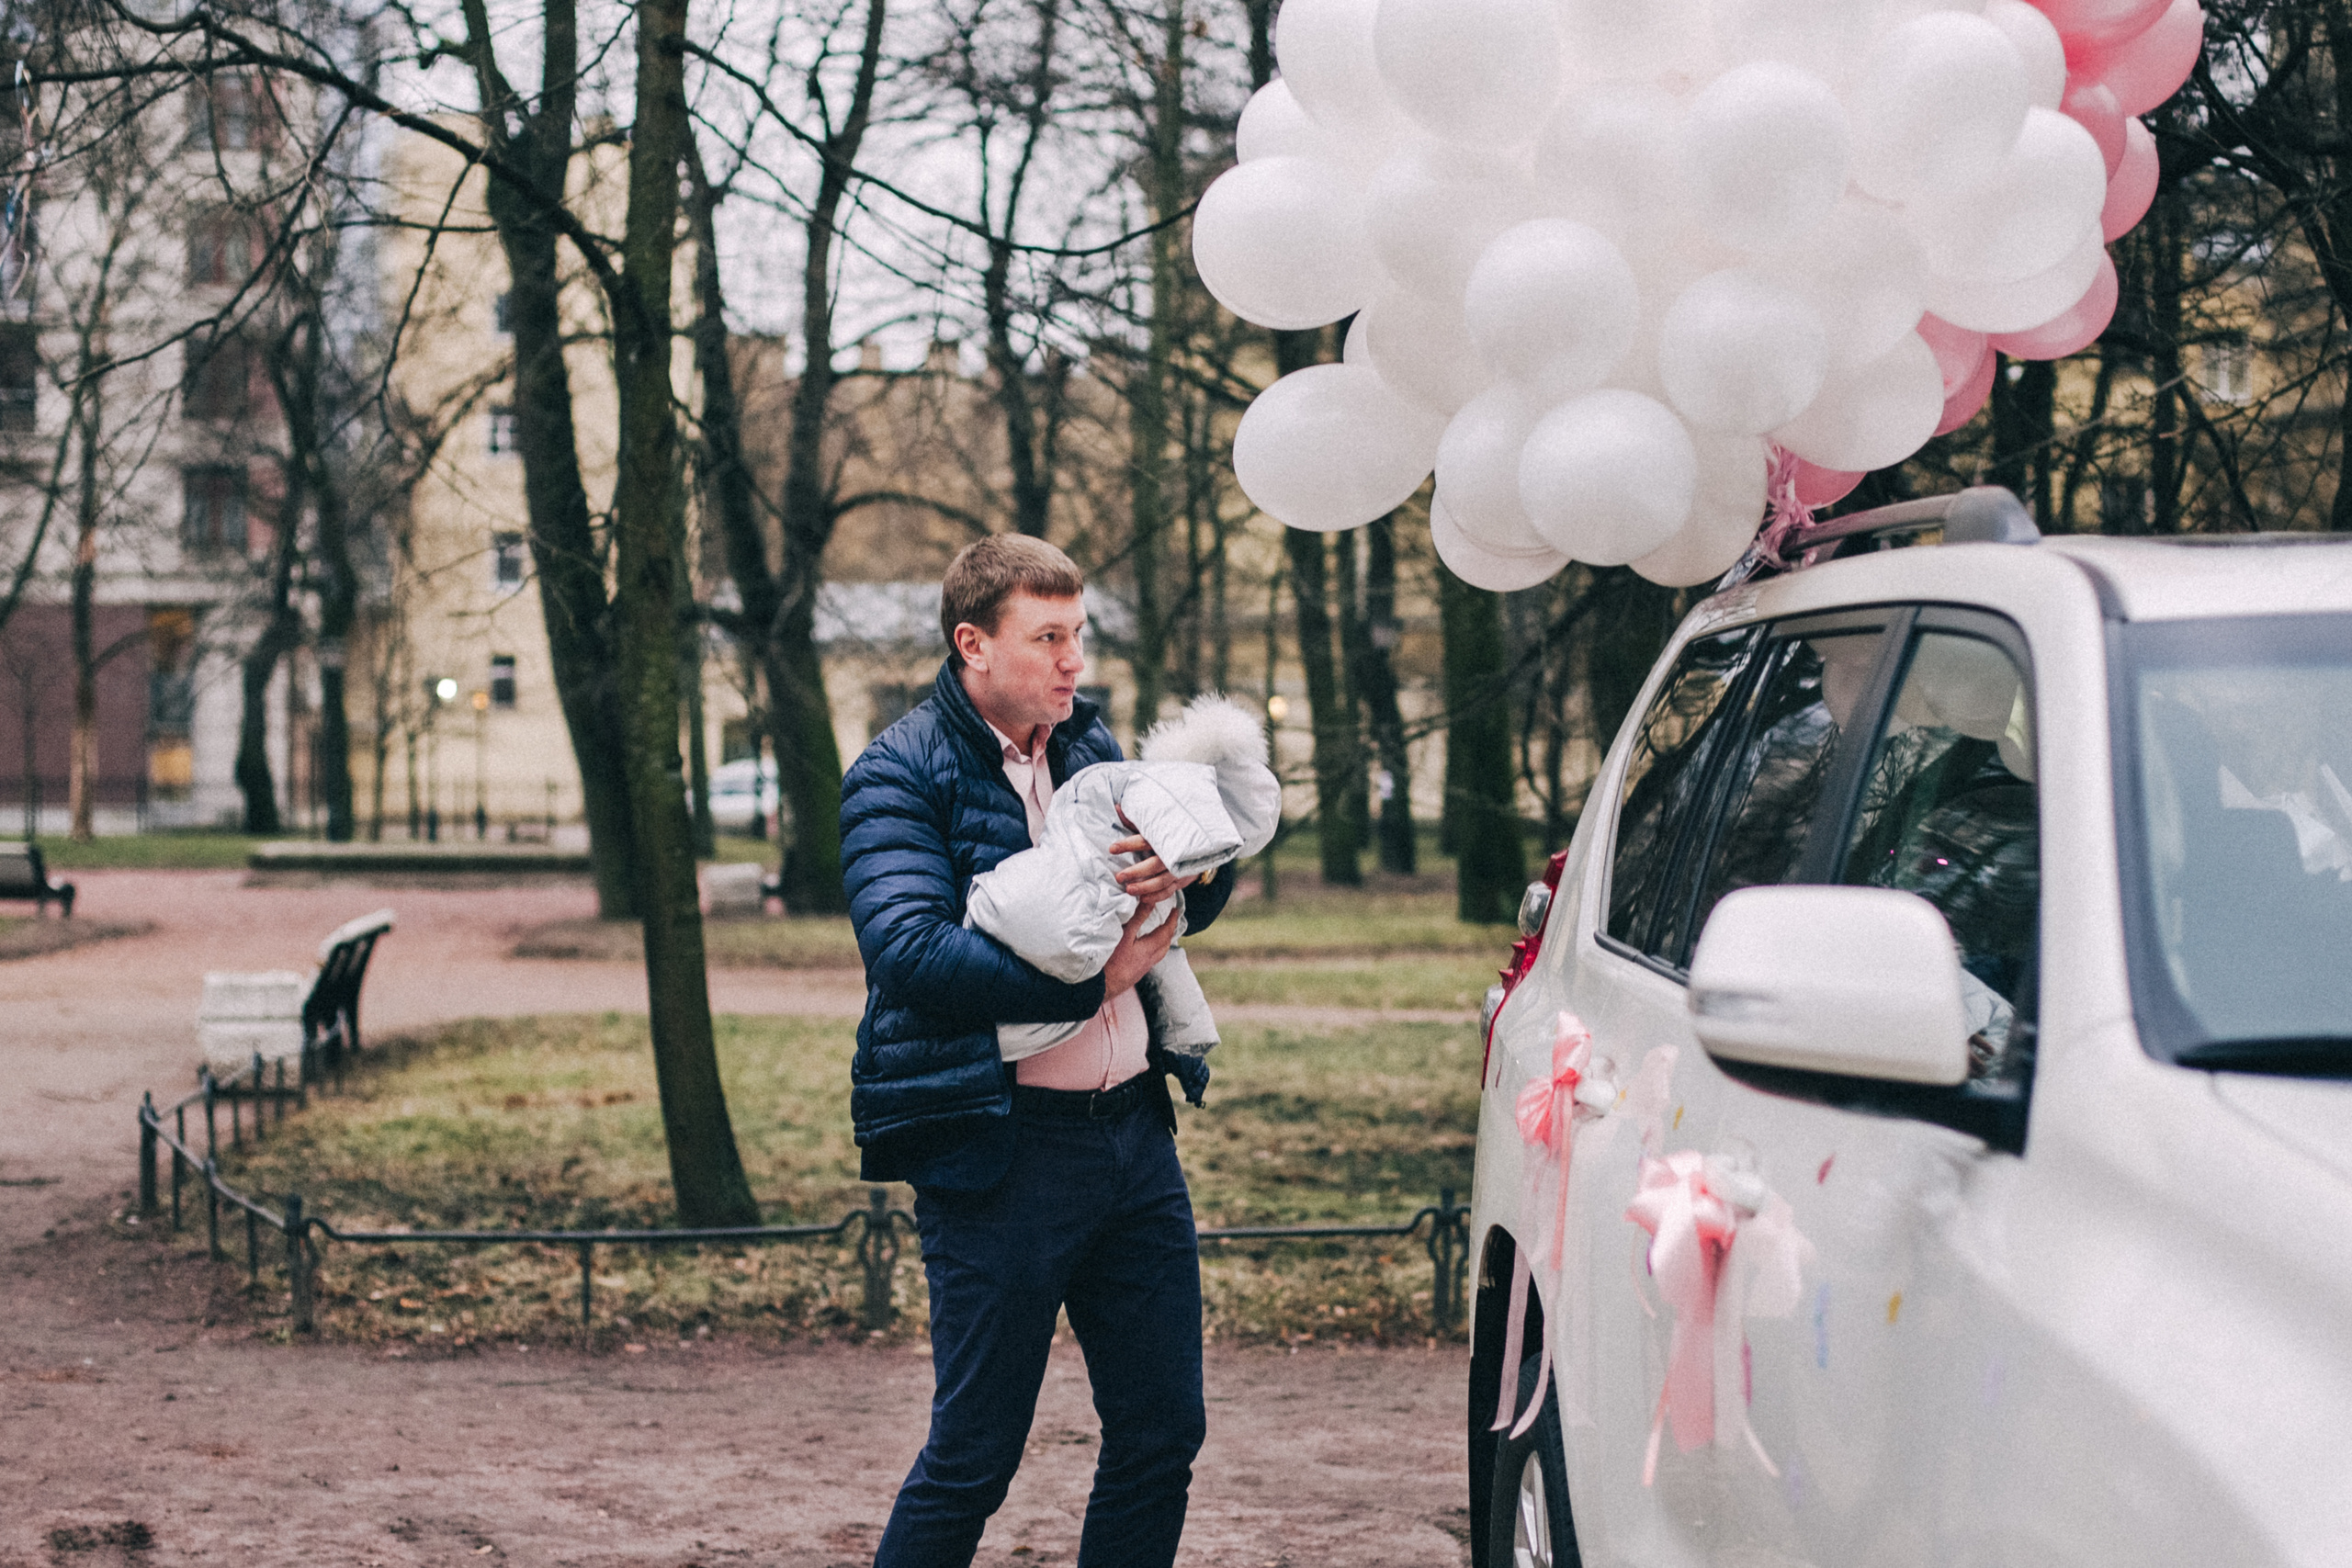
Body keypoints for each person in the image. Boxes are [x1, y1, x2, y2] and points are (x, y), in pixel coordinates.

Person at [842, 534, 1237, 1568]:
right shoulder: (896, 772)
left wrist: (1192, 872)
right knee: (973, 1458)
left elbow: (1190, 892)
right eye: (1049, 637)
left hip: (1134, 1141)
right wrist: (1092, 983)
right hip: (1000, 1151)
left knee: (1162, 1435)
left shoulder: (1092, 745)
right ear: (972, 644)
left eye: (1079, 634)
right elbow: (911, 953)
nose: (1074, 661)